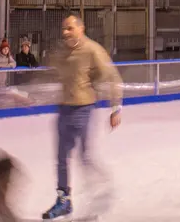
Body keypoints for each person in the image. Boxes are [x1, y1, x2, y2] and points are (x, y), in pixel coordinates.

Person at [42, 15, 122, 220]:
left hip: (83, 109)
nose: (65, 32)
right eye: (63, 29)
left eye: (69, 28)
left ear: (81, 28)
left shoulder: (93, 50)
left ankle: (98, 195)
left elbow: (112, 76)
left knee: (85, 157)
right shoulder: (62, 52)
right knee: (61, 159)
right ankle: (63, 201)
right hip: (64, 110)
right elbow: (52, 73)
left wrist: (116, 108)